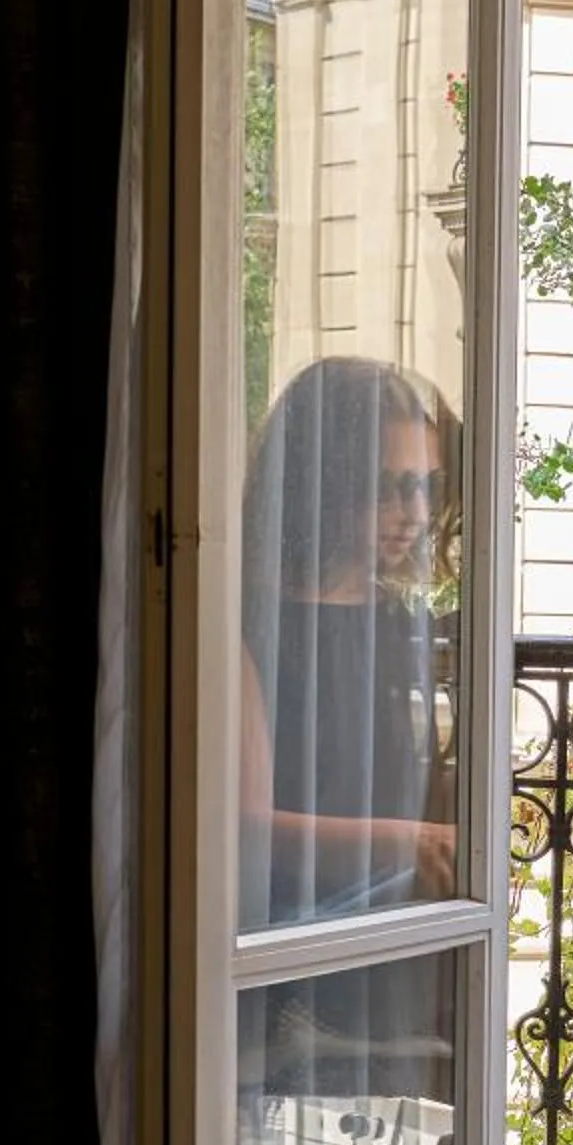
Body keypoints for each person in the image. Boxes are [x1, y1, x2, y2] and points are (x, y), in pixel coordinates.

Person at [238, 355, 461, 1095]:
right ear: (324, 481)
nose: (417, 513)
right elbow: (245, 832)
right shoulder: (238, 617)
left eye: (426, 486)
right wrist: (411, 845)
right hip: (278, 967)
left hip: (383, 957)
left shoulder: (390, 619)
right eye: (391, 487)